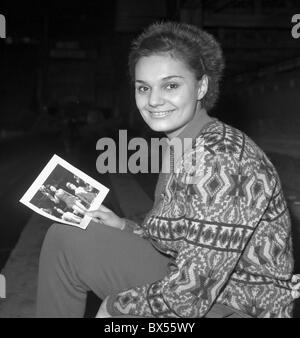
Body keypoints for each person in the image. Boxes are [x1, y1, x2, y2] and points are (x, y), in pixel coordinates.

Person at [36, 22, 300, 318]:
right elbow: (183, 240)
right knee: (66, 239)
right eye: (143, 88)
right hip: (206, 287)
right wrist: (124, 226)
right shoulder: (185, 145)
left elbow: (191, 295)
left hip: (238, 306)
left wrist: (115, 310)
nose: (153, 100)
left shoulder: (220, 158)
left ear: (201, 86)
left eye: (171, 85)